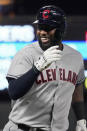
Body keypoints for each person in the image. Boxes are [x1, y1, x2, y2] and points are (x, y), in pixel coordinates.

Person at [3, 5, 87, 131]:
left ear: (61, 29)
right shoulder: (26, 54)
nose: (42, 32)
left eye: (48, 28)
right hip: (23, 128)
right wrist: (37, 68)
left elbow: (77, 88)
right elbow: (14, 92)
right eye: (40, 27)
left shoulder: (75, 57)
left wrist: (81, 119)